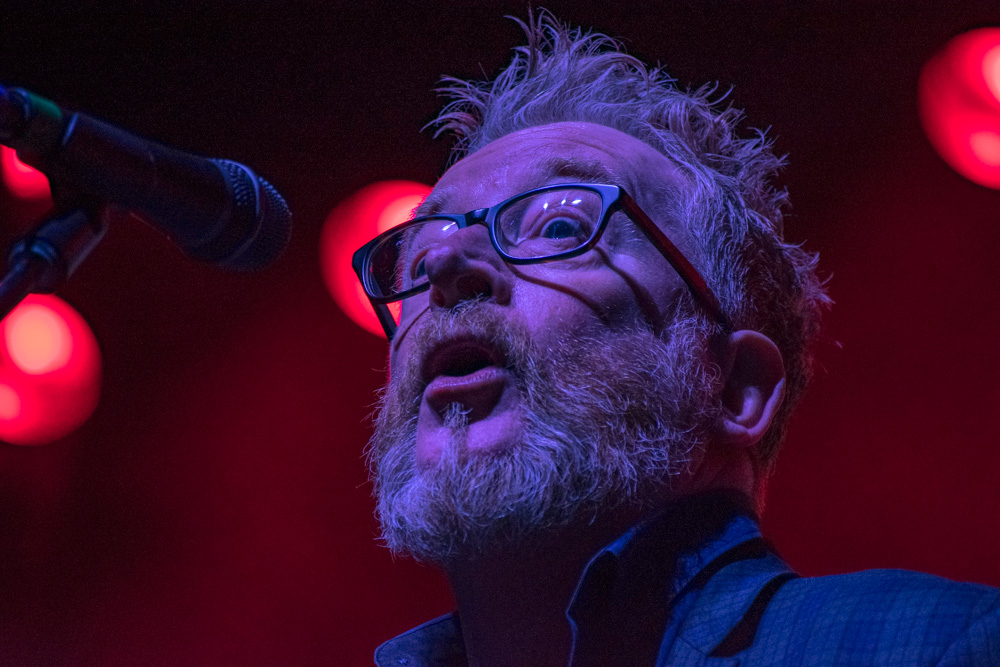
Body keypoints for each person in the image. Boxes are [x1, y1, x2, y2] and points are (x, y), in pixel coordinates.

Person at [352, 12, 1000, 666]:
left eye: (557, 225)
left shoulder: (944, 645)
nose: (447, 265)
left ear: (734, 385)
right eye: (421, 248)